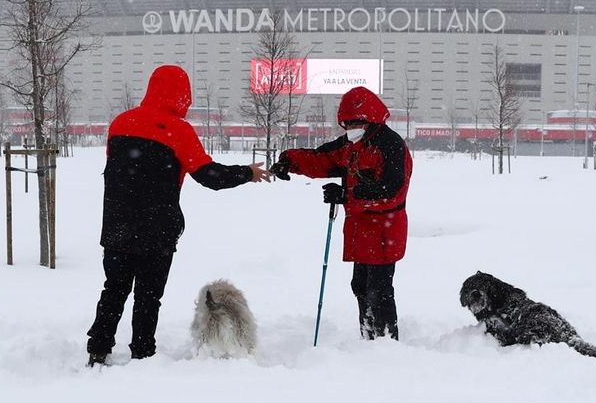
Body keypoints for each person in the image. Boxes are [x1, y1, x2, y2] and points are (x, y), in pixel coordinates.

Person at [86, 65, 270, 367]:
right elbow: (209, 175)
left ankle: (98, 348)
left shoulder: (120, 123)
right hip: (156, 230)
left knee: (114, 289)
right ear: (182, 95)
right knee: (148, 296)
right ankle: (143, 352)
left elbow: (117, 170)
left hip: (117, 225)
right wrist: (246, 173)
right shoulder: (178, 131)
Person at [271, 86, 412, 340]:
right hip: (361, 230)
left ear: (370, 119)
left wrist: (347, 195)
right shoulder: (352, 144)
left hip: (384, 231)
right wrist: (289, 161)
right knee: (360, 286)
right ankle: (368, 337)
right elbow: (321, 158)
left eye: (355, 122)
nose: (350, 128)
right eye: (346, 124)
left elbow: (392, 191)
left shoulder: (390, 145)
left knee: (378, 290)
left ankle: (386, 342)